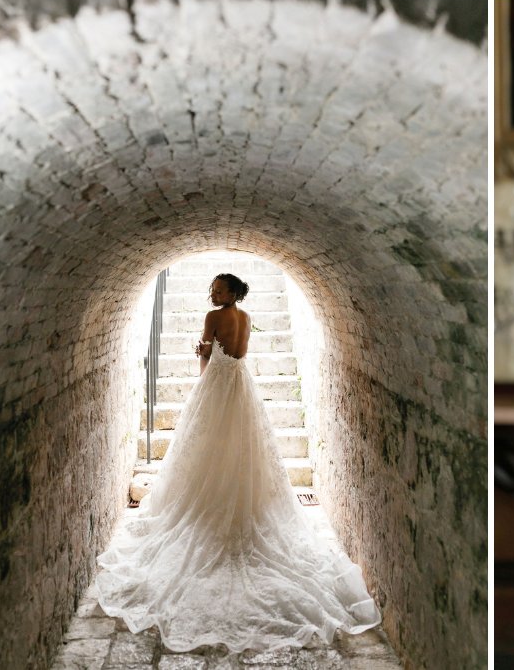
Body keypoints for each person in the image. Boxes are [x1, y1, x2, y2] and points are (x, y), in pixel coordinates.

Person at [95, 272, 380, 654]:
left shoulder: (213, 318)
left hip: (217, 383)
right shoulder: (245, 318)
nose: (212, 293)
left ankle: (208, 505)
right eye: (211, 288)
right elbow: (240, 354)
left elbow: (210, 355)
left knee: (209, 440)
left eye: (217, 289)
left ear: (231, 293)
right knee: (242, 443)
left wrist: (200, 365)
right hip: (242, 384)